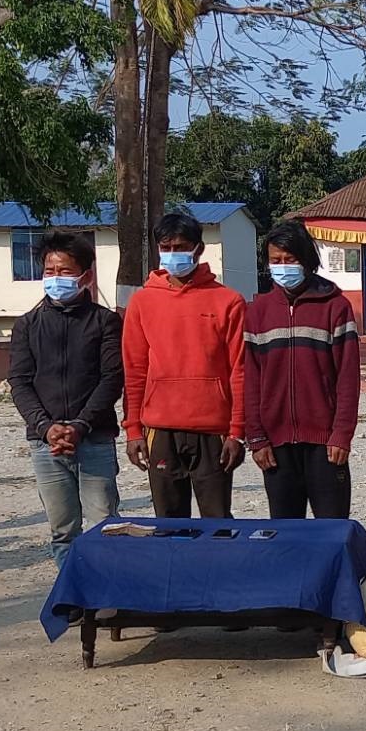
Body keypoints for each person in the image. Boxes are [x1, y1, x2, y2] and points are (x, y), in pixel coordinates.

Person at [7, 231, 123, 567]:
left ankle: (107, 595)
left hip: (95, 439)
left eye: (65, 271)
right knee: (63, 530)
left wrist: (80, 425)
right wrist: (46, 428)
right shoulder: (27, 325)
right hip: (47, 445)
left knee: (105, 524)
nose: (56, 278)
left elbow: (112, 378)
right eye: (50, 271)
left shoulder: (104, 322)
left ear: (86, 275)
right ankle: (71, 597)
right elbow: (19, 381)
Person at [122, 213, 247, 517]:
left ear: (199, 249)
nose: (173, 254)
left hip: (213, 431)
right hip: (160, 430)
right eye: (166, 248)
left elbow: (240, 370)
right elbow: (135, 371)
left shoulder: (228, 301)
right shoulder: (142, 302)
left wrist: (236, 431)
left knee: (217, 523)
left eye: (181, 247)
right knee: (169, 523)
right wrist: (133, 431)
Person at [243, 221, 360, 519]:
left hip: (325, 445)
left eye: (290, 260)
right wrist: (256, 438)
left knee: (332, 535)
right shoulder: (257, 312)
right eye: (276, 260)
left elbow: (347, 379)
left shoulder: (336, 308)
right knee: (286, 539)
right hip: (276, 447)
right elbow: (252, 379)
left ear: (307, 261)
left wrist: (341, 434)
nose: (283, 267)